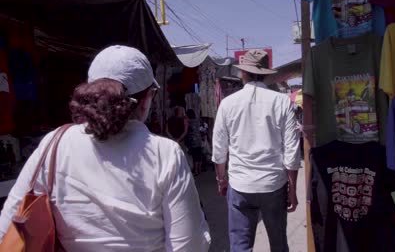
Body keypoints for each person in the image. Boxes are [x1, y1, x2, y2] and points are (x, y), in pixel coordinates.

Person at [0, 46, 211, 252]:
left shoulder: (54, 142)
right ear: (147, 98)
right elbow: (189, 244)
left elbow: (9, 224)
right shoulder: (165, 153)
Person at [212, 49, 301, 252]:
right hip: (273, 186)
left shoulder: (227, 104)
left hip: (240, 185)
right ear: (266, 74)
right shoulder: (282, 102)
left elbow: (219, 149)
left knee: (240, 246)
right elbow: (292, 152)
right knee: (278, 244)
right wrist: (293, 189)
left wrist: (221, 180)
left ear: (243, 73)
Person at [185, 109, 203, 175]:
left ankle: (196, 171)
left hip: (193, 141)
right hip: (199, 140)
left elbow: (188, 132)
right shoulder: (198, 121)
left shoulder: (189, 122)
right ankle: (199, 170)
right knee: (199, 156)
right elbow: (202, 129)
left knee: (195, 156)